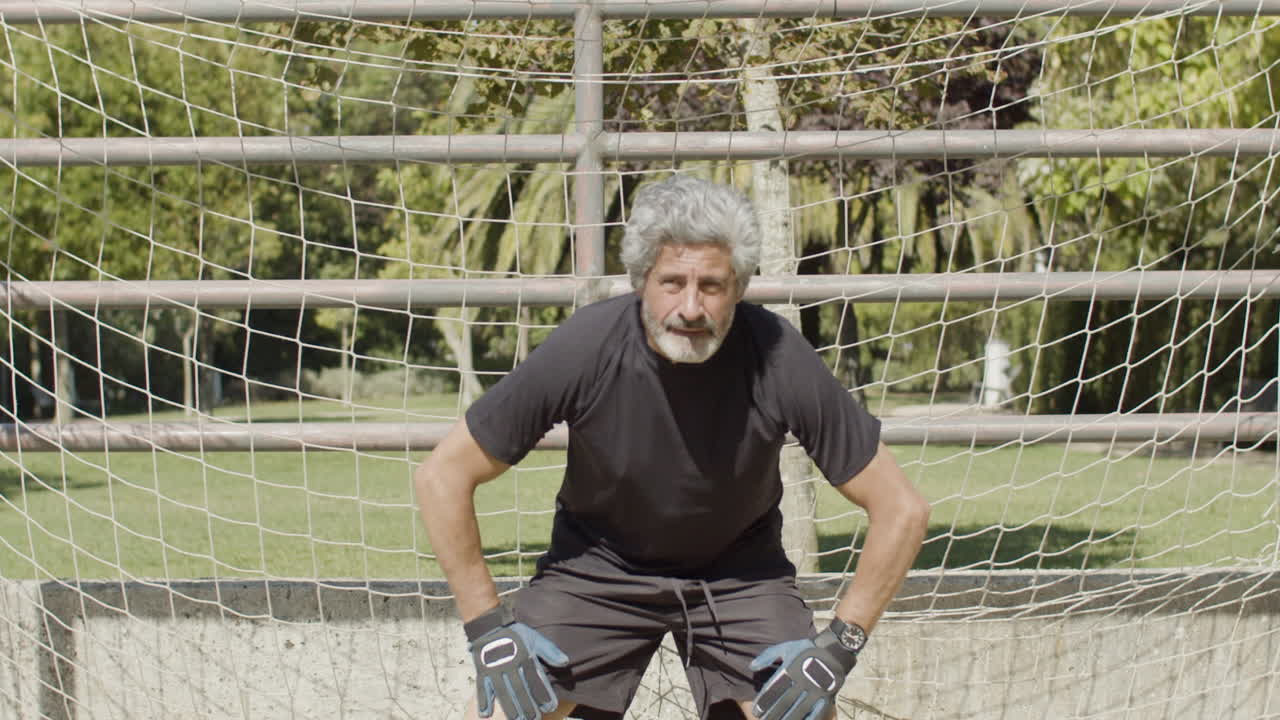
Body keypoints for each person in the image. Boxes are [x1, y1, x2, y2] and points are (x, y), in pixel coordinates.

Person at [415, 175, 930, 720]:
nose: (690, 307)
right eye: (671, 282)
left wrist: (838, 648)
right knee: (501, 712)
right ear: (641, 280)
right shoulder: (588, 346)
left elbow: (902, 509)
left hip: (740, 577)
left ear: (738, 285)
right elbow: (442, 476)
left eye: (710, 285)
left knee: (801, 714)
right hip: (596, 571)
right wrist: (487, 629)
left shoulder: (778, 355)